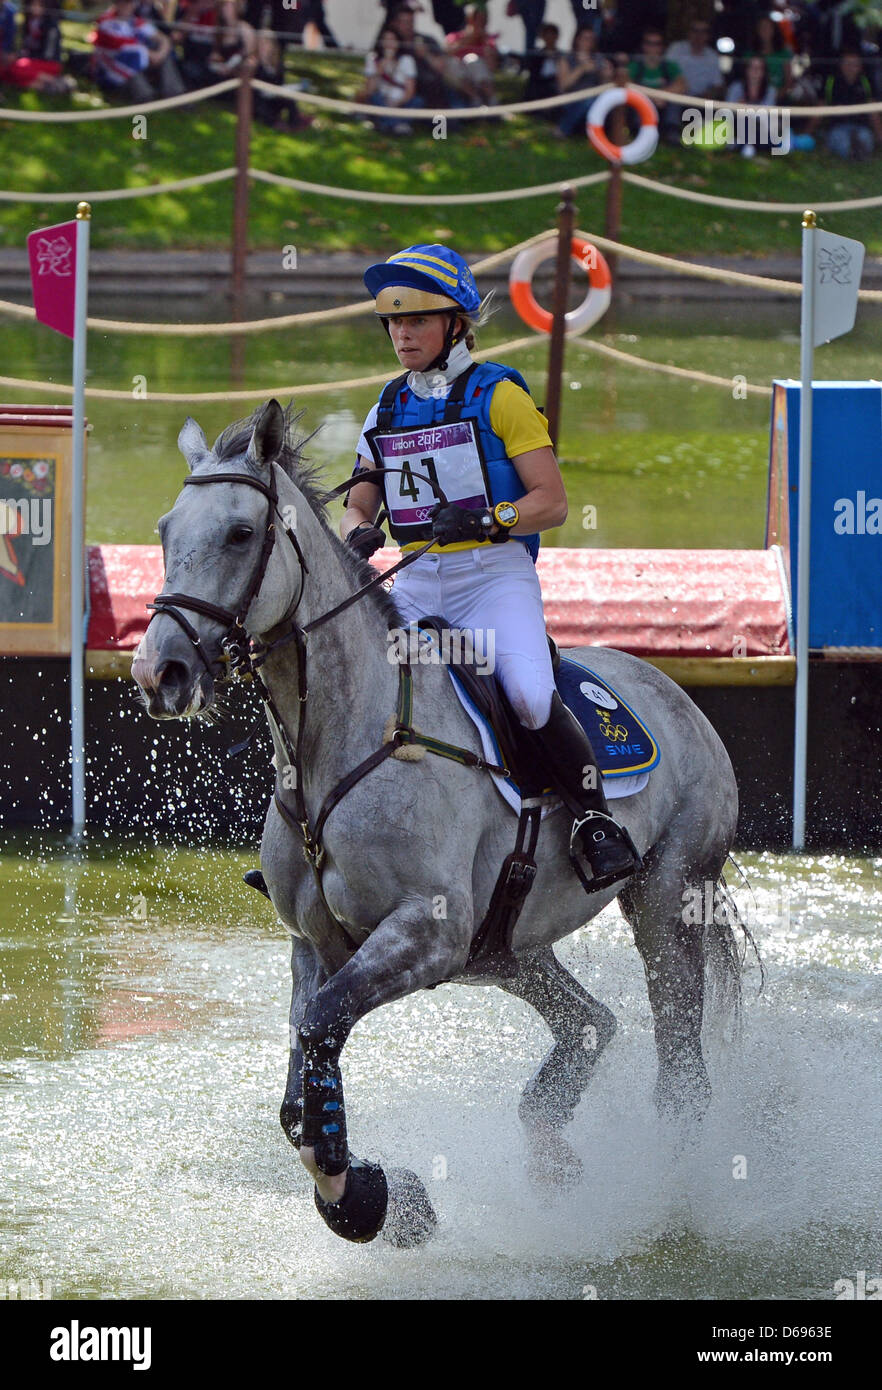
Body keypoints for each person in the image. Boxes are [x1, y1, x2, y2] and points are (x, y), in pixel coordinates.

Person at [340, 244, 642, 894]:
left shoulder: (500, 396)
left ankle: (594, 821)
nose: (402, 335)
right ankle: (324, 838)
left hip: (493, 579)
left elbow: (552, 503)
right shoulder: (385, 409)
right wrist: (357, 529)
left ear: (456, 325)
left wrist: (488, 519)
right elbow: (362, 490)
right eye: (393, 323)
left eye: (417, 321)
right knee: (357, 687)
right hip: (415, 581)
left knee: (531, 697)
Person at [91, 0, 184, 99]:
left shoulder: (135, 22)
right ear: (116, 4)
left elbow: (163, 39)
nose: (127, 6)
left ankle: (175, 95)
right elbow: (123, 47)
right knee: (132, 60)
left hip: (142, 62)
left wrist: (160, 54)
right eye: (124, 3)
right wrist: (152, 55)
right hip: (112, 71)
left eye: (130, 2)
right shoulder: (106, 22)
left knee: (164, 56)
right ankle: (146, 97)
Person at [808, 50, 882, 159]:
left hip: (861, 127)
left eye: (855, 64)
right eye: (847, 64)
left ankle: (858, 151)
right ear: (841, 65)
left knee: (865, 139)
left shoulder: (866, 83)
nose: (851, 68)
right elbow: (819, 110)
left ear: (860, 67)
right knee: (842, 142)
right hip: (837, 127)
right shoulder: (831, 82)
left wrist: (880, 137)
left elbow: (873, 113)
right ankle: (851, 152)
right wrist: (807, 133)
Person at [359, 25, 421, 134]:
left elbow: (410, 90)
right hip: (382, 98)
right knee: (375, 99)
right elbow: (369, 90)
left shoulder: (406, 60)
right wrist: (380, 69)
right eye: (386, 40)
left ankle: (386, 124)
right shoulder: (373, 59)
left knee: (417, 102)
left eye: (392, 40)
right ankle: (398, 125)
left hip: (401, 100)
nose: (389, 44)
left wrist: (397, 102)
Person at [628, 27, 686, 141]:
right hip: (642, 104)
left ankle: (671, 133)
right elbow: (626, 85)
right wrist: (652, 97)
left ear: (662, 47)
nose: (653, 48)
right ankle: (638, 135)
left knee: (675, 100)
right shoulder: (635, 65)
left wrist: (662, 95)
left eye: (657, 44)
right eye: (649, 43)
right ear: (643, 46)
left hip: (663, 104)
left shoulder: (669, 65)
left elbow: (682, 85)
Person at [555, 24, 611, 138]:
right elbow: (563, 86)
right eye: (585, 38)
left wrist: (606, 74)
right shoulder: (566, 58)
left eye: (591, 39)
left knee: (594, 101)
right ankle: (563, 129)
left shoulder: (599, 59)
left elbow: (606, 85)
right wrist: (581, 69)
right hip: (571, 99)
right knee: (588, 101)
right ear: (577, 39)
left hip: (595, 97)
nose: (588, 42)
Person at [445, 3, 498, 105]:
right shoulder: (455, 36)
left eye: (483, 20)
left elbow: (492, 68)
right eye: (476, 19)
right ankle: (475, 99)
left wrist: (487, 47)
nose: (480, 23)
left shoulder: (488, 40)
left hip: (481, 76)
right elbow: (447, 52)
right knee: (452, 63)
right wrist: (469, 39)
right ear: (469, 20)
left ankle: (493, 102)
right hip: (461, 76)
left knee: (472, 59)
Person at [726, 54, 778, 156]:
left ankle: (745, 146)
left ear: (764, 72)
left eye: (759, 68)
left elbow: (766, 115)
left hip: (761, 129)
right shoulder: (736, 87)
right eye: (752, 67)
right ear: (746, 70)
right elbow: (727, 112)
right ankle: (745, 145)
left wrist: (744, 109)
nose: (755, 70)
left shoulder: (770, 90)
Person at [666, 16, 723, 99]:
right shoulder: (676, 48)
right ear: (689, 33)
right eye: (695, 31)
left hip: (700, 100)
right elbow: (665, 71)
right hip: (676, 97)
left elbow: (717, 85)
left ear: (708, 35)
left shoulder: (712, 56)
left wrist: (707, 96)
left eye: (703, 32)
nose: (699, 35)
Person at [744, 13, 793, 98]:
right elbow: (744, 80)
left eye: (768, 27)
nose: (765, 30)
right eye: (762, 27)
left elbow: (789, 81)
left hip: (778, 99)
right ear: (757, 31)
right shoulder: (749, 54)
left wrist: (775, 97)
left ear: (774, 30)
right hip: (753, 99)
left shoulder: (784, 54)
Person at [520, 19, 561, 108]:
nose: (550, 38)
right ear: (543, 37)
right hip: (539, 84)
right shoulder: (537, 55)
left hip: (555, 84)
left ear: (556, 37)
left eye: (552, 35)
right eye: (547, 35)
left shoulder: (561, 56)